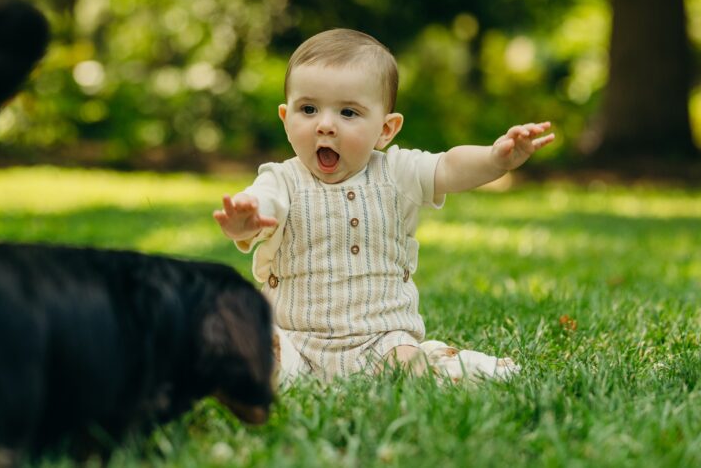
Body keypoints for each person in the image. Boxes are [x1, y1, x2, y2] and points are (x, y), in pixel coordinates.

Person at [214, 29, 554, 385]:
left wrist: (495, 159)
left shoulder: (398, 173)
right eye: (308, 109)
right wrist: (244, 221)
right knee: (252, 355)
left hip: (381, 341)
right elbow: (262, 204)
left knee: (411, 368)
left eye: (348, 112)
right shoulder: (282, 179)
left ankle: (448, 365)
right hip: (294, 339)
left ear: (385, 129)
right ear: (286, 119)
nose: (325, 125)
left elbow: (450, 167)